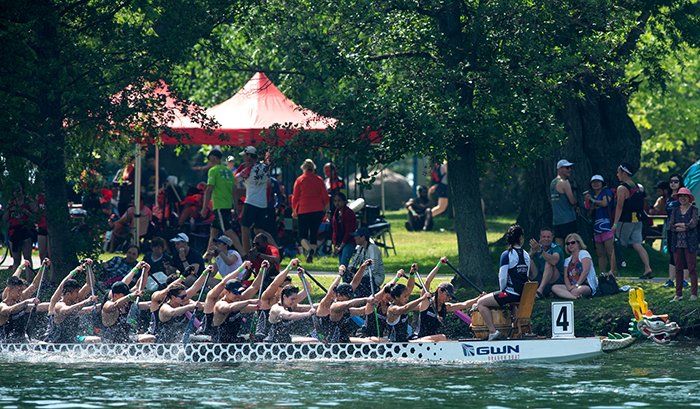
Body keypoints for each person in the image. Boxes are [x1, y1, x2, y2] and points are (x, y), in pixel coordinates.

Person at [475, 224, 530, 341]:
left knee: (481, 303)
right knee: (511, 303)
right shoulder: (526, 255)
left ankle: (492, 331)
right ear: (520, 238)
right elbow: (526, 275)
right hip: (523, 295)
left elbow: (503, 278)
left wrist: (502, 291)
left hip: (511, 293)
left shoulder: (506, 255)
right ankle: (517, 331)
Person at [411, 257, 484, 342]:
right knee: (442, 337)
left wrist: (478, 298)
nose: (447, 299)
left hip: (431, 342)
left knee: (448, 341)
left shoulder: (446, 307)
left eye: (449, 297)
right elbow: (427, 282)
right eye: (447, 295)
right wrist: (439, 265)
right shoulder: (426, 302)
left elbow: (465, 304)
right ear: (439, 291)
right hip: (417, 340)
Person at [611, 162, 653, 279]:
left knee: (616, 245)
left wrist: (615, 224)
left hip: (625, 221)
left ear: (624, 173)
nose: (617, 175)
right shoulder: (637, 186)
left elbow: (619, 207)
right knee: (638, 244)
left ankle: (612, 272)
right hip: (637, 221)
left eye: (618, 172)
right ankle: (647, 268)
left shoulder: (622, 188)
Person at [201, 149, 245, 257]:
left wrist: (204, 207)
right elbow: (234, 191)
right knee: (213, 231)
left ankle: (243, 254)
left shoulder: (213, 170)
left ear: (212, 158)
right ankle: (208, 254)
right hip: (227, 205)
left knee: (227, 231)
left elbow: (209, 189)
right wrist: (235, 207)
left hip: (219, 206)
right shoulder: (228, 172)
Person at [315, 265, 373, 343]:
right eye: (348, 297)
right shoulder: (328, 306)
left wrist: (363, 267)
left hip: (342, 341)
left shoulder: (345, 307)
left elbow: (355, 283)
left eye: (351, 296)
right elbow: (330, 294)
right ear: (339, 295)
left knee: (370, 342)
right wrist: (339, 276)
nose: (350, 299)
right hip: (324, 343)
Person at [197, 260, 255, 339]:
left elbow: (254, 287)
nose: (237, 294)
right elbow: (223, 283)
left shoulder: (235, 300)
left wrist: (262, 270)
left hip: (226, 338)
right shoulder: (212, 298)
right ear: (225, 290)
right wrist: (241, 268)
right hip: (207, 337)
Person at [48, 260, 101, 343]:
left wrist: (88, 268)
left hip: (72, 339)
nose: (78, 294)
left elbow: (89, 285)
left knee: (97, 340)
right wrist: (73, 272)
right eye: (76, 292)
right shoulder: (58, 305)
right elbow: (67, 310)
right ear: (68, 294)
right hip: (56, 343)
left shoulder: (74, 300)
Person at [234, 146, 271, 259]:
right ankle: (275, 247)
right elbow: (269, 185)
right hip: (262, 203)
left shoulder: (249, 169)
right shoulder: (265, 167)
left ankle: (245, 254)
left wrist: (241, 167)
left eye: (245, 156)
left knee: (245, 227)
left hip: (250, 202)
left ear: (249, 155)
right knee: (259, 230)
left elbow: (235, 178)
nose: (244, 158)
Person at [292, 159, 330, 263]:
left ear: (303, 168)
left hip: (303, 210)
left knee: (302, 235)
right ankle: (311, 257)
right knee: (314, 234)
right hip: (318, 210)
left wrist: (294, 210)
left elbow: (295, 197)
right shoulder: (319, 179)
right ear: (313, 168)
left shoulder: (299, 180)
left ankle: (309, 249)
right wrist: (328, 211)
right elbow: (325, 197)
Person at [212, 268, 265, 343]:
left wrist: (261, 270)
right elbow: (230, 307)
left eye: (240, 292)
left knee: (260, 337)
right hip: (220, 344)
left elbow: (254, 287)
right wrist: (249, 301)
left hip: (233, 341)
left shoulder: (237, 301)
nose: (238, 296)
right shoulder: (220, 304)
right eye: (236, 293)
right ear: (226, 292)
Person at [254, 258, 301, 342]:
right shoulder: (267, 299)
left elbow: (307, 291)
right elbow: (275, 283)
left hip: (279, 340)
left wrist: (302, 277)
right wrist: (289, 267)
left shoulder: (288, 302)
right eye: (285, 287)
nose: (288, 290)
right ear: (279, 287)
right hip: (262, 341)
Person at [0, 260, 44, 343]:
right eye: (19, 291)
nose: (21, 293)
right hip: (6, 344)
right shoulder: (3, 304)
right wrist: (20, 267)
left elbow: (34, 285)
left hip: (20, 342)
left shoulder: (20, 299)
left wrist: (42, 268)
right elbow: (10, 310)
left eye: (21, 291)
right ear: (9, 290)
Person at [668, 187, 698, 302]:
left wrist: (679, 226)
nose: (682, 198)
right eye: (680, 196)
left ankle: (694, 293)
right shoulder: (675, 210)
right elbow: (671, 226)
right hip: (677, 243)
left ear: (689, 198)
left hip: (690, 242)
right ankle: (678, 294)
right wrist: (684, 227)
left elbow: (692, 224)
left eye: (685, 196)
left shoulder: (694, 210)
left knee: (692, 268)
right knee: (678, 268)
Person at [2, 181, 37, 277]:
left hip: (25, 231)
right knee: (16, 260)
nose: (17, 192)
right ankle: (14, 282)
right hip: (14, 232)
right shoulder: (11, 202)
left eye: (19, 189)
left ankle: (29, 281)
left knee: (27, 258)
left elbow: (36, 217)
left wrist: (25, 211)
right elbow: (5, 219)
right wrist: (9, 209)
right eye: (15, 190)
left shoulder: (28, 201)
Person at [583, 175, 616, 275]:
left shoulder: (606, 192)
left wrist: (592, 200)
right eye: (593, 182)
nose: (596, 184)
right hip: (596, 227)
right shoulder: (592, 196)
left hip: (606, 226)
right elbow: (588, 214)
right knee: (600, 253)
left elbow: (605, 203)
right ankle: (602, 273)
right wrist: (590, 208)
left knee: (610, 251)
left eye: (598, 182)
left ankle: (613, 272)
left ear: (602, 183)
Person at [551, 233, 598, 299]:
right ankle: (575, 297)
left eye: (573, 242)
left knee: (576, 291)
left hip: (585, 285)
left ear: (578, 243)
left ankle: (566, 295)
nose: (570, 245)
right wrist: (568, 287)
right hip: (572, 286)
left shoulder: (584, 253)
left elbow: (586, 271)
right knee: (554, 287)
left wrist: (577, 285)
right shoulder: (567, 260)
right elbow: (565, 276)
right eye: (568, 243)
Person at [664, 174, 689, 288]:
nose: (673, 183)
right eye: (671, 181)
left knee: (683, 254)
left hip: (681, 230)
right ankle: (670, 280)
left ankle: (684, 280)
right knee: (672, 254)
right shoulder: (669, 198)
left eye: (676, 181)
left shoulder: (683, 196)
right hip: (671, 230)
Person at [347, 227, 385, 297]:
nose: (354, 238)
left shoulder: (372, 248)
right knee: (346, 276)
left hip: (375, 277)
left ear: (363, 237)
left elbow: (374, 269)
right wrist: (350, 269)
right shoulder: (360, 248)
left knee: (359, 280)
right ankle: (348, 296)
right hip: (365, 275)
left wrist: (358, 276)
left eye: (356, 236)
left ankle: (357, 296)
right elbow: (354, 261)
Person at [528, 227, 564, 299]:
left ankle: (540, 291)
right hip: (541, 278)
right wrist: (531, 253)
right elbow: (523, 261)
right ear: (540, 238)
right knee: (529, 261)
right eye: (544, 237)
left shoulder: (556, 248)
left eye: (548, 237)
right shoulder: (538, 247)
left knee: (549, 263)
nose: (546, 239)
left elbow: (554, 261)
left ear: (552, 238)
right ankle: (524, 288)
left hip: (555, 281)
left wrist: (540, 251)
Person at [550, 159, 578, 247]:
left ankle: (559, 261)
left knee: (559, 248)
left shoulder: (553, 183)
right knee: (572, 246)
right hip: (568, 219)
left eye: (570, 167)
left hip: (557, 220)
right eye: (567, 167)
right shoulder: (565, 183)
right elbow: (572, 201)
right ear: (560, 169)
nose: (569, 169)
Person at [331, 192, 357, 268]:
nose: (337, 203)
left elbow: (349, 232)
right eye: (335, 201)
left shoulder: (349, 213)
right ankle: (345, 279)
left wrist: (341, 247)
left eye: (339, 200)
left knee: (343, 265)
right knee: (341, 265)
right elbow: (335, 230)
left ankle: (346, 279)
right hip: (339, 242)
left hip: (348, 242)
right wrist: (335, 244)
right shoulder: (336, 213)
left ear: (344, 201)